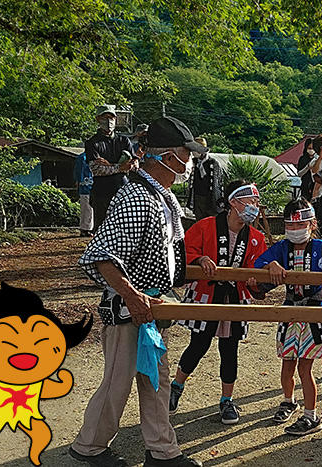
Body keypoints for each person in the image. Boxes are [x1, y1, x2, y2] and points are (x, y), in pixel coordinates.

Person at [71, 116, 205, 467]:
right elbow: (101, 257)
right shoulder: (136, 198)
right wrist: (132, 295)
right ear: (166, 157)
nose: (189, 163)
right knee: (118, 383)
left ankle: (162, 452)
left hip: (151, 307)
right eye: (185, 155)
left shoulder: (161, 196)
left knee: (155, 380)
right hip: (128, 308)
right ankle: (89, 447)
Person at [168, 180, 267, 424]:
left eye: (256, 202)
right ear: (233, 202)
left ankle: (226, 400)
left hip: (235, 297)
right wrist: (199, 258)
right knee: (198, 344)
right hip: (207, 292)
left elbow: (259, 271)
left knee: (229, 349)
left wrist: (258, 279)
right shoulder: (205, 226)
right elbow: (180, 252)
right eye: (250, 201)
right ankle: (176, 386)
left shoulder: (255, 237)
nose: (254, 206)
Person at [251, 199, 322, 436]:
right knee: (287, 365)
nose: (295, 230)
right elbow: (259, 262)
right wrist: (272, 265)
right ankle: (288, 401)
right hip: (289, 311)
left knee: (305, 369)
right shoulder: (282, 248)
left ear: (312, 224)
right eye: (290, 225)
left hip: (313, 311)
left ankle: (311, 415)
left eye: (300, 225)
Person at [86, 105, 137, 231]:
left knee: (124, 226)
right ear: (98, 119)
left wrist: (109, 165)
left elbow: (133, 165)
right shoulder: (92, 142)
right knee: (101, 228)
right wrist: (120, 167)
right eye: (105, 117)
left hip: (123, 190)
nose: (109, 121)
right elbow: (96, 169)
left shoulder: (124, 140)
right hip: (101, 192)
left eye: (112, 118)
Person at [188, 137, 223, 220]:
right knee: (199, 221)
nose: (194, 152)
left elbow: (218, 182)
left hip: (210, 198)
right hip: (197, 196)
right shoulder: (193, 162)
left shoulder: (213, 163)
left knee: (210, 221)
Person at [74, 151, 95, 237]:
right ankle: (86, 229)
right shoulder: (83, 157)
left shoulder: (89, 156)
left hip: (91, 185)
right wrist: (80, 181)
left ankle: (88, 228)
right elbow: (79, 172)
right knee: (87, 209)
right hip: (86, 186)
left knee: (89, 209)